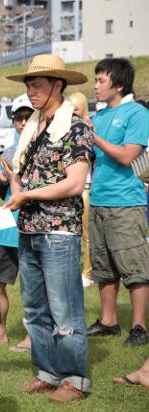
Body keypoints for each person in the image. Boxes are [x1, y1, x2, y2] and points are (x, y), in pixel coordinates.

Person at [4, 54, 93, 402]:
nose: (31, 91)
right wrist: (17, 188)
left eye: (37, 84)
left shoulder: (76, 127)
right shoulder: (33, 126)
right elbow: (20, 172)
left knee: (64, 308)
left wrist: (27, 194)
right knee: (34, 309)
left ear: (58, 85)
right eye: (28, 85)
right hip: (29, 229)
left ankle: (74, 379)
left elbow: (74, 183)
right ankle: (47, 373)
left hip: (58, 231)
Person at [86, 58, 149, 347]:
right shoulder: (98, 117)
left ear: (119, 84)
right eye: (95, 79)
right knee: (104, 267)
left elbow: (128, 156)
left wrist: (94, 138)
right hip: (98, 200)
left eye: (101, 80)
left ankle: (139, 327)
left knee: (133, 267)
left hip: (125, 203)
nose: (96, 85)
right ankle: (109, 321)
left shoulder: (137, 113)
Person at [0, 94, 33, 352]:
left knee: (32, 285)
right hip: (6, 226)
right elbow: (7, 193)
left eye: (27, 117)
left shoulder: (42, 146)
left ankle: (33, 336)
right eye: (18, 117)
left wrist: (15, 181)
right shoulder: (10, 151)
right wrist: (3, 182)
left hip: (31, 223)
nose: (22, 122)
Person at [68, 92, 95, 288]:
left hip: (86, 187)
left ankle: (88, 271)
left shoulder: (89, 130)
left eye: (76, 109)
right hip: (69, 188)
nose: (73, 113)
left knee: (87, 234)